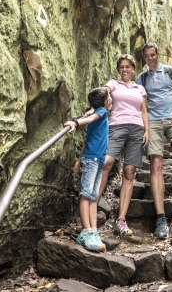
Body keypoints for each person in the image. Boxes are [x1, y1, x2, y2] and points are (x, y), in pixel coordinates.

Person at [136, 42, 172, 240]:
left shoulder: (171, 71)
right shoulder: (142, 78)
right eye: (147, 56)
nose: (150, 58)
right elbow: (140, 104)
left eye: (153, 55)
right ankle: (161, 218)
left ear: (157, 54)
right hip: (153, 121)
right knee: (156, 162)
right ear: (143, 58)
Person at [98, 54, 149, 237]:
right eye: (122, 67)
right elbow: (104, 92)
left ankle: (121, 220)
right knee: (106, 162)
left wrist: (147, 131)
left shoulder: (140, 88)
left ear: (133, 69)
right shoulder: (113, 84)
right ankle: (93, 205)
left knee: (129, 172)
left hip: (137, 129)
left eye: (128, 66)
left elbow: (143, 110)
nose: (125, 70)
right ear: (118, 70)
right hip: (116, 127)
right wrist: (105, 98)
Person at [64, 87, 111, 252]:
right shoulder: (102, 112)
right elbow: (90, 119)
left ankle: (93, 230)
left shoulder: (97, 113)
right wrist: (76, 123)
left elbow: (88, 137)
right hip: (92, 160)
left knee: (93, 196)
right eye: (109, 97)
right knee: (86, 194)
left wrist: (78, 161)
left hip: (97, 160)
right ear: (105, 102)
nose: (111, 99)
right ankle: (86, 231)